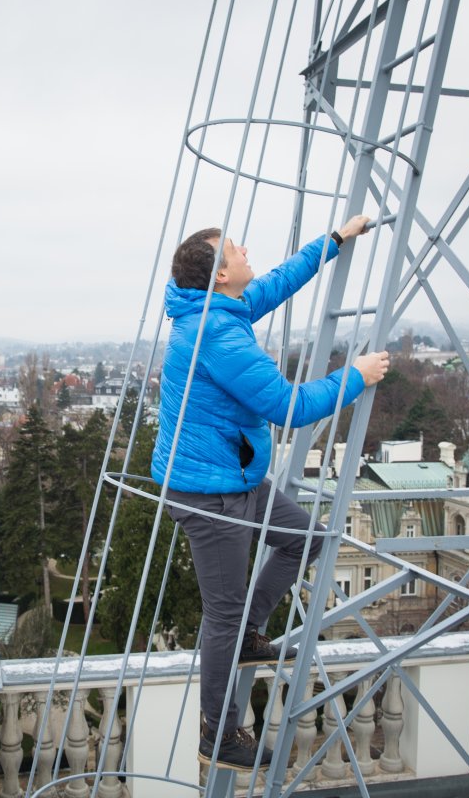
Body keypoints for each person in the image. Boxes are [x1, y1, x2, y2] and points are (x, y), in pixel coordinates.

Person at [151, 216, 390, 771]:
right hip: (209, 496)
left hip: (233, 478)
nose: (243, 248)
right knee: (222, 616)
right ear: (218, 277)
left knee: (301, 538)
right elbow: (291, 407)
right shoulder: (217, 336)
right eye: (233, 248)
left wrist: (333, 241)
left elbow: (277, 282)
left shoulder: (218, 311)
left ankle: (250, 636)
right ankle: (216, 731)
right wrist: (356, 374)